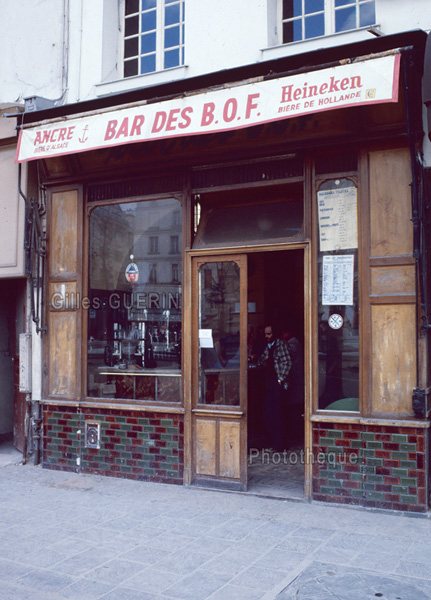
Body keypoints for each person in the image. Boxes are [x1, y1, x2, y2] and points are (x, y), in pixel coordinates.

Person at [256, 324, 292, 451]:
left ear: (274, 334)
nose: (266, 337)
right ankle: (273, 442)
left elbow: (287, 362)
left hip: (277, 384)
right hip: (269, 383)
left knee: (278, 414)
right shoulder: (268, 346)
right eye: (265, 334)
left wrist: (280, 379)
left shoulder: (281, 345)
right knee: (269, 414)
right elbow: (263, 360)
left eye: (269, 334)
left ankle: (280, 445)